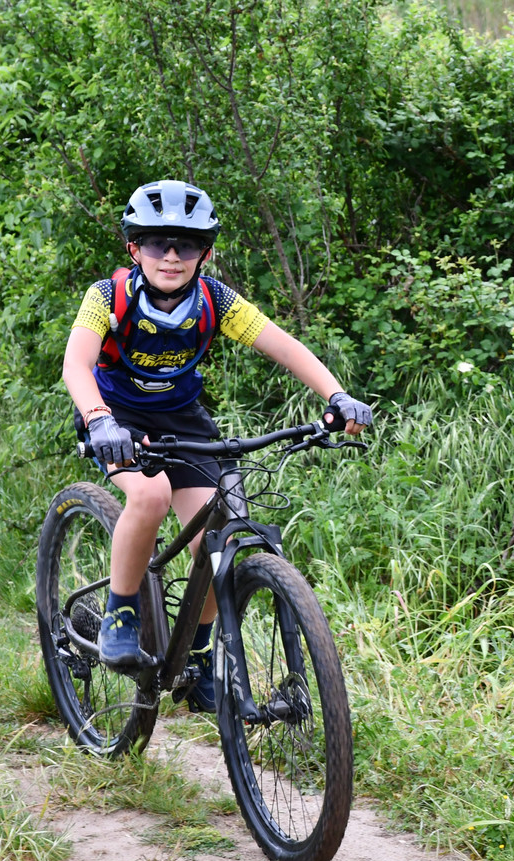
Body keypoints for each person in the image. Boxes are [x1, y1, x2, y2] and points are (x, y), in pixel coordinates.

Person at [61, 179, 371, 712]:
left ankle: (199, 654)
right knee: (151, 496)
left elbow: (285, 346)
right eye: (157, 243)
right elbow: (76, 364)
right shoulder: (108, 297)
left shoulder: (215, 301)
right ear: (134, 248)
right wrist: (99, 420)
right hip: (115, 416)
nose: (172, 256)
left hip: (182, 419)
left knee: (220, 533)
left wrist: (337, 395)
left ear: (204, 253)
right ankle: (121, 610)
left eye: (186, 245)